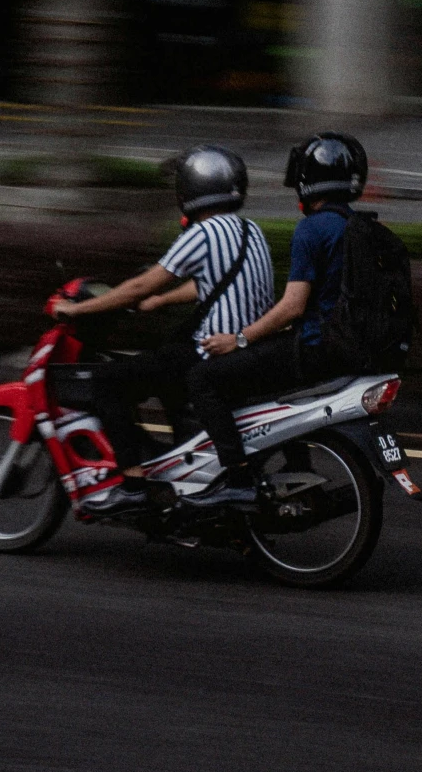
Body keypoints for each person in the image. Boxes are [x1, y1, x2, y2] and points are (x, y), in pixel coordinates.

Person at [52, 145, 275, 513]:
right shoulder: (251, 232)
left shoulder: (203, 233)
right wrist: (161, 301)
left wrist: (79, 308)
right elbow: (213, 282)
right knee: (163, 358)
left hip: (212, 352)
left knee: (109, 380)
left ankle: (133, 484)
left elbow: (140, 285)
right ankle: (181, 462)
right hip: (246, 349)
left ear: (191, 190)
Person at [190, 131, 368, 509]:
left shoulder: (312, 229)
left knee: (203, 378)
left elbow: (292, 307)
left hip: (317, 349)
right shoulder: (364, 228)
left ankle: (237, 479)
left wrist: (237, 339)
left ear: (307, 180)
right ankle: (296, 472)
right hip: (351, 349)